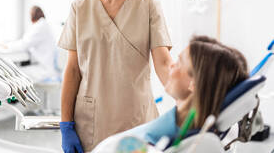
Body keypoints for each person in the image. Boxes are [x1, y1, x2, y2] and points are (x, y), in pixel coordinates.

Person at [58, 0, 173, 152]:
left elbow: (163, 62)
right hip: (91, 122)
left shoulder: (149, 5)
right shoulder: (80, 8)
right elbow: (72, 70)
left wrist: (188, 99)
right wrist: (65, 124)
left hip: (136, 120)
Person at [92, 35, 249, 152]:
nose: (172, 65)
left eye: (179, 62)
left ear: (194, 84)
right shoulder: (185, 129)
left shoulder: (145, 143)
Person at [5, 6, 58, 83]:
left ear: (33, 15)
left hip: (43, 70)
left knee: (14, 73)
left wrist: (8, 46)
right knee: (17, 71)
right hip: (45, 66)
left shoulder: (40, 26)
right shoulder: (44, 25)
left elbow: (24, 44)